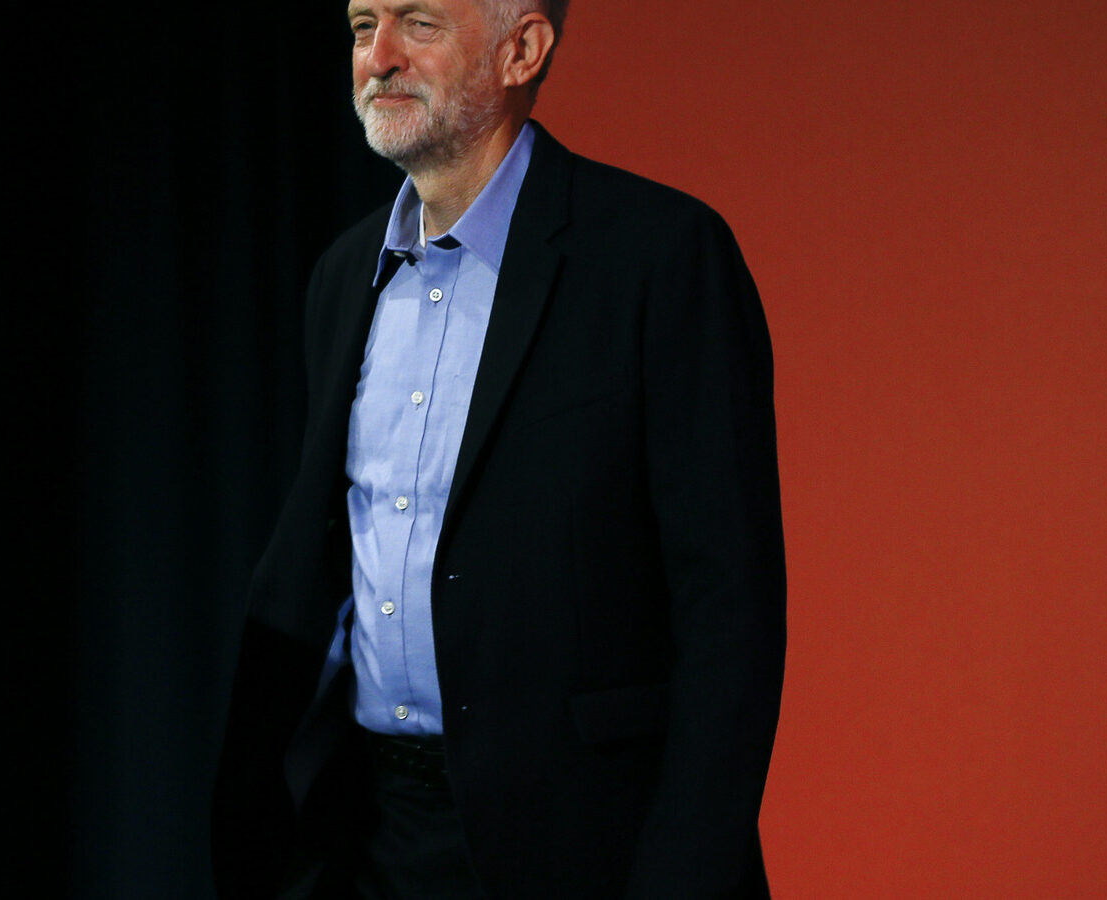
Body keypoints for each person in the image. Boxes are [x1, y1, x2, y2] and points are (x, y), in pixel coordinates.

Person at [212, 1, 786, 896]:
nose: (379, 57)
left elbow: (730, 614)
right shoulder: (341, 276)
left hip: (584, 844)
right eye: (363, 27)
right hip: (370, 838)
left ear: (522, 50)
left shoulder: (662, 256)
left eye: (419, 23)